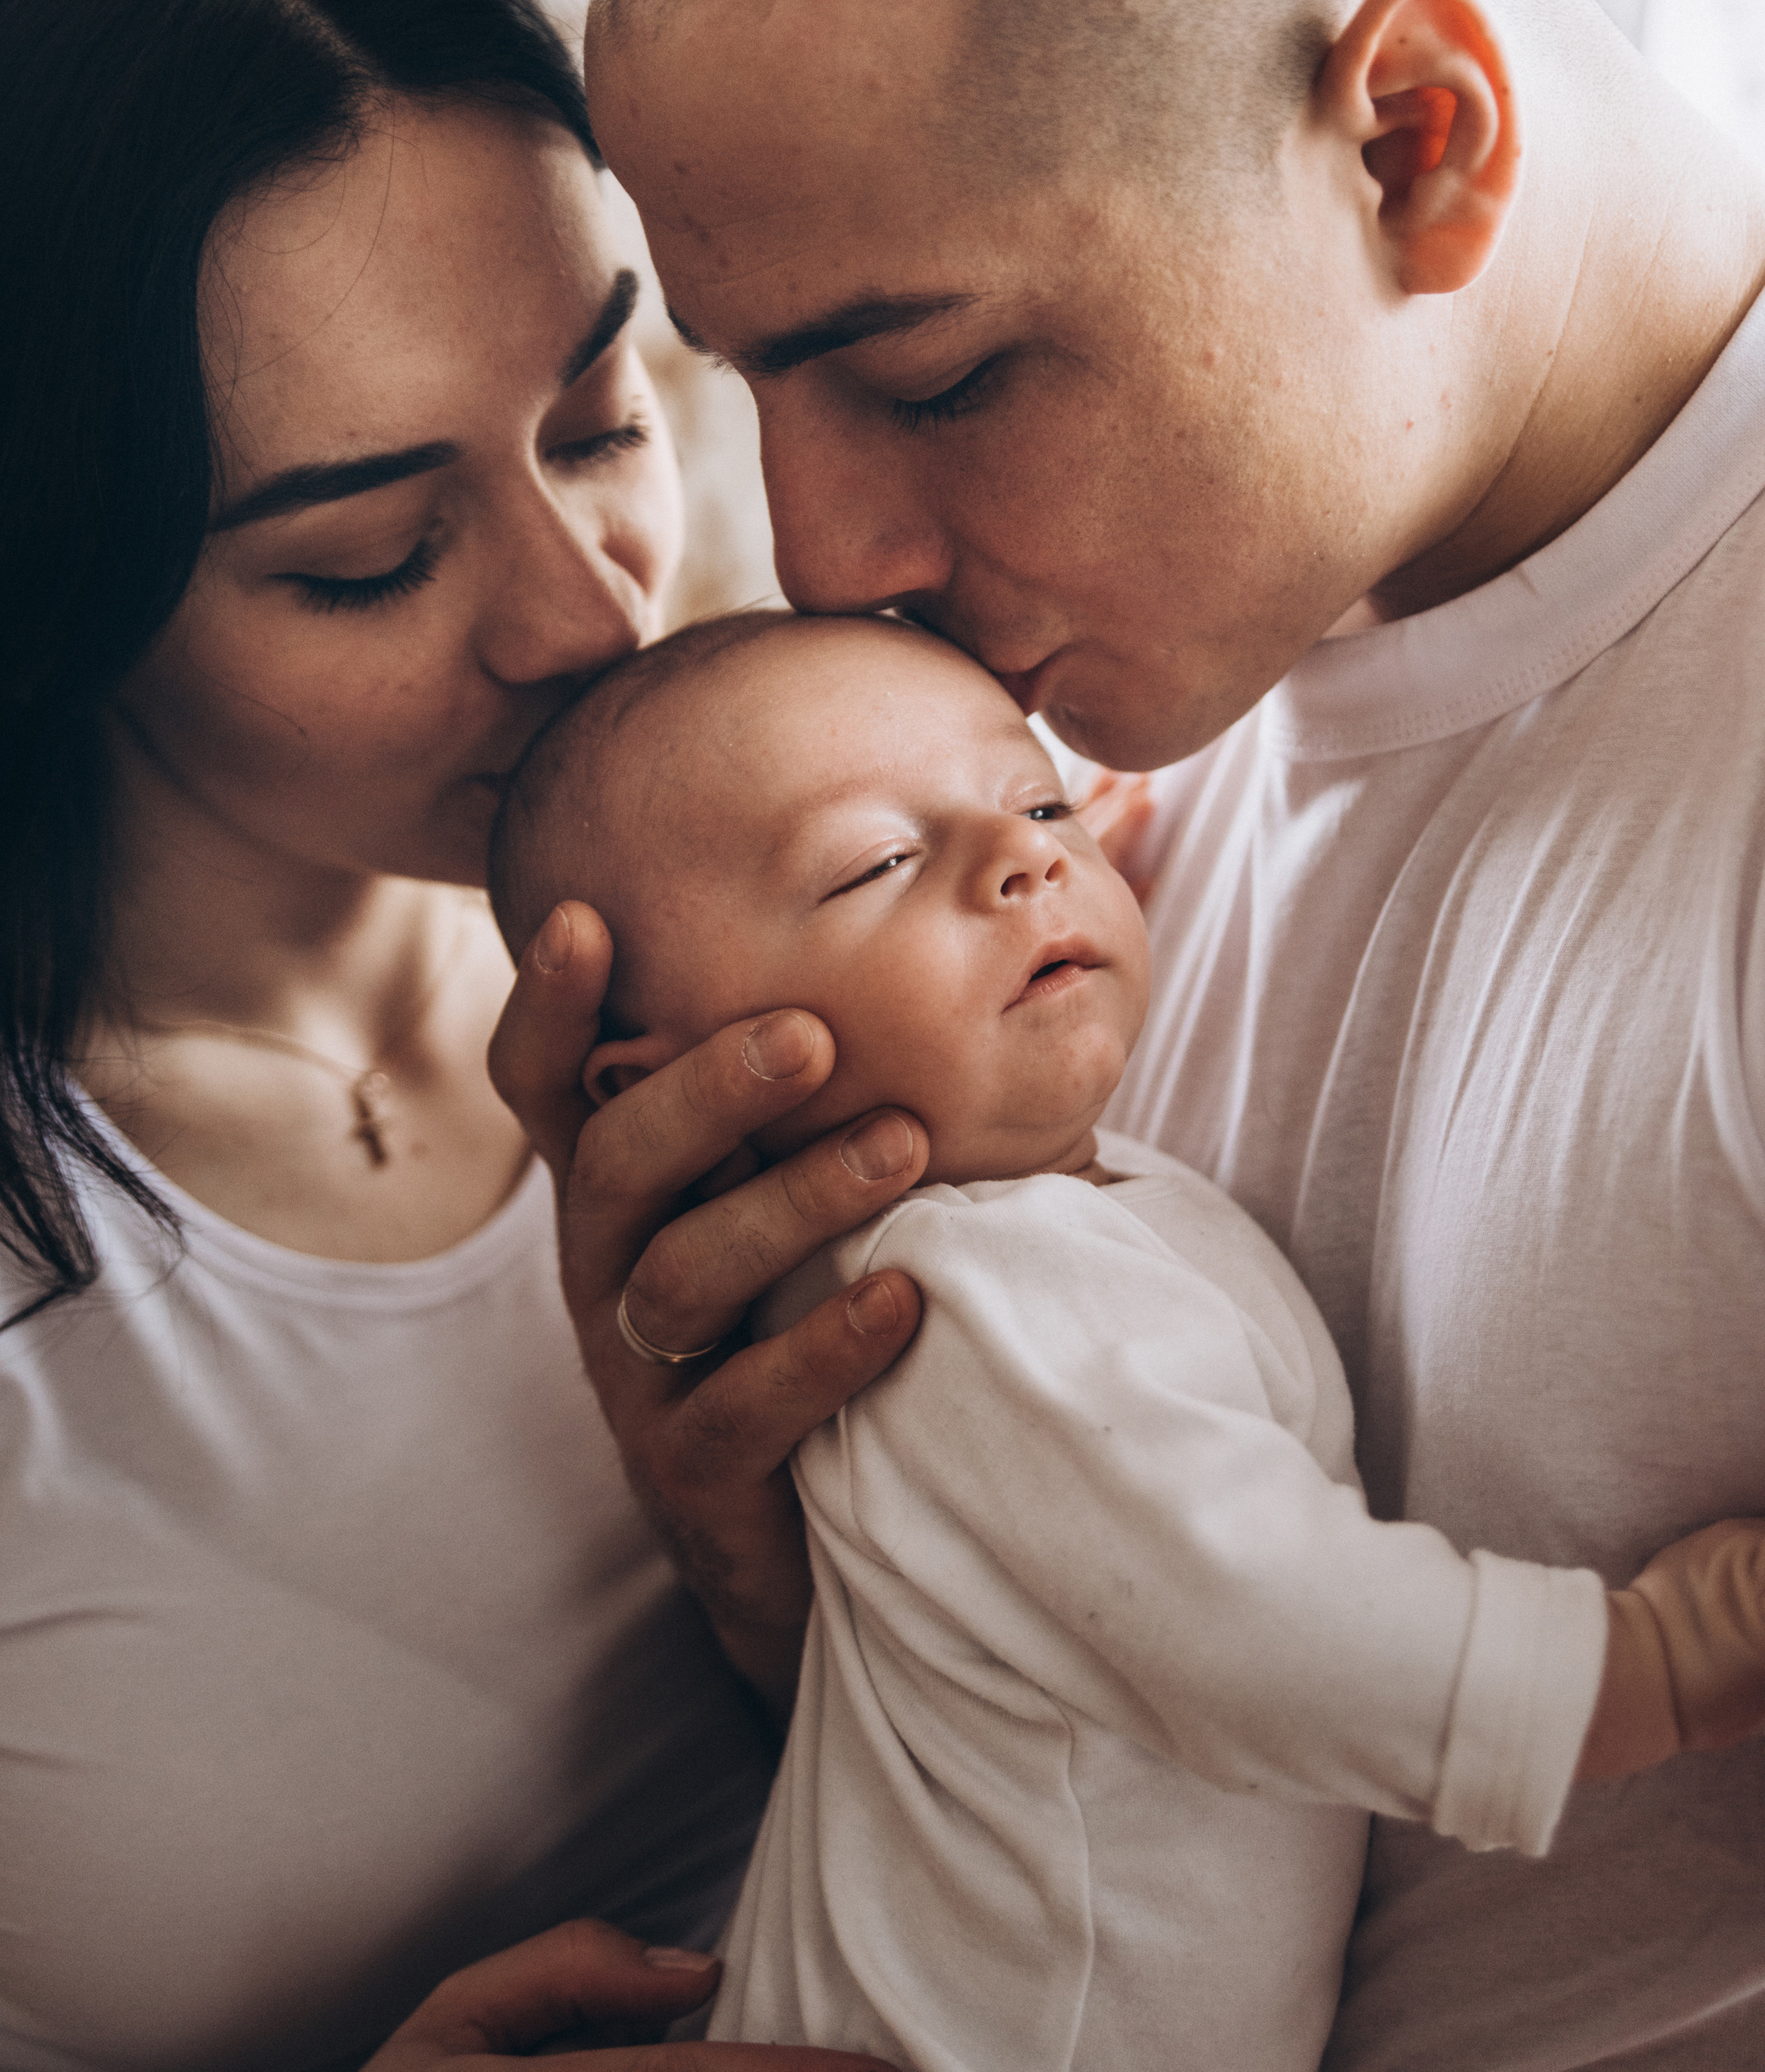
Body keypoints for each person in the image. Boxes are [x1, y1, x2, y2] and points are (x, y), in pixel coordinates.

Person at [489, 0, 1765, 2072]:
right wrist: (789, 1560)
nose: (824, 555)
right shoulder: (1049, 771)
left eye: (938, 373)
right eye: (750, 389)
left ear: (1417, 139)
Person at [0, 0, 911, 2072]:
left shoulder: (822, 933)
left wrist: (767, 1599)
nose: (588, 612)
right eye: (372, 558)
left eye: (603, 420)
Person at [490, 607, 1765, 2072]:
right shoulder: (959, 1302)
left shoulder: (1051, 1214)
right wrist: (1652, 1662)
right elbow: (1254, 1620)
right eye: (874, 863)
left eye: (1040, 804)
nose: (1022, 859)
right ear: (669, 1089)